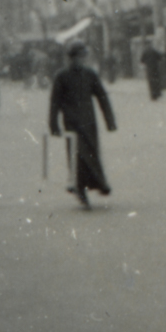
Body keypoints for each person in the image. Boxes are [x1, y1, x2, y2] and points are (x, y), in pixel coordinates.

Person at [48, 40, 117, 209]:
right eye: (78, 57)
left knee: (92, 153)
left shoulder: (90, 75)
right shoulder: (61, 76)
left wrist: (110, 121)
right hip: (71, 124)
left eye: (83, 57)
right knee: (78, 156)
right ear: (70, 58)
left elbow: (102, 97)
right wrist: (54, 125)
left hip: (89, 122)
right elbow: (55, 103)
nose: (80, 60)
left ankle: (97, 184)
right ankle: (82, 189)